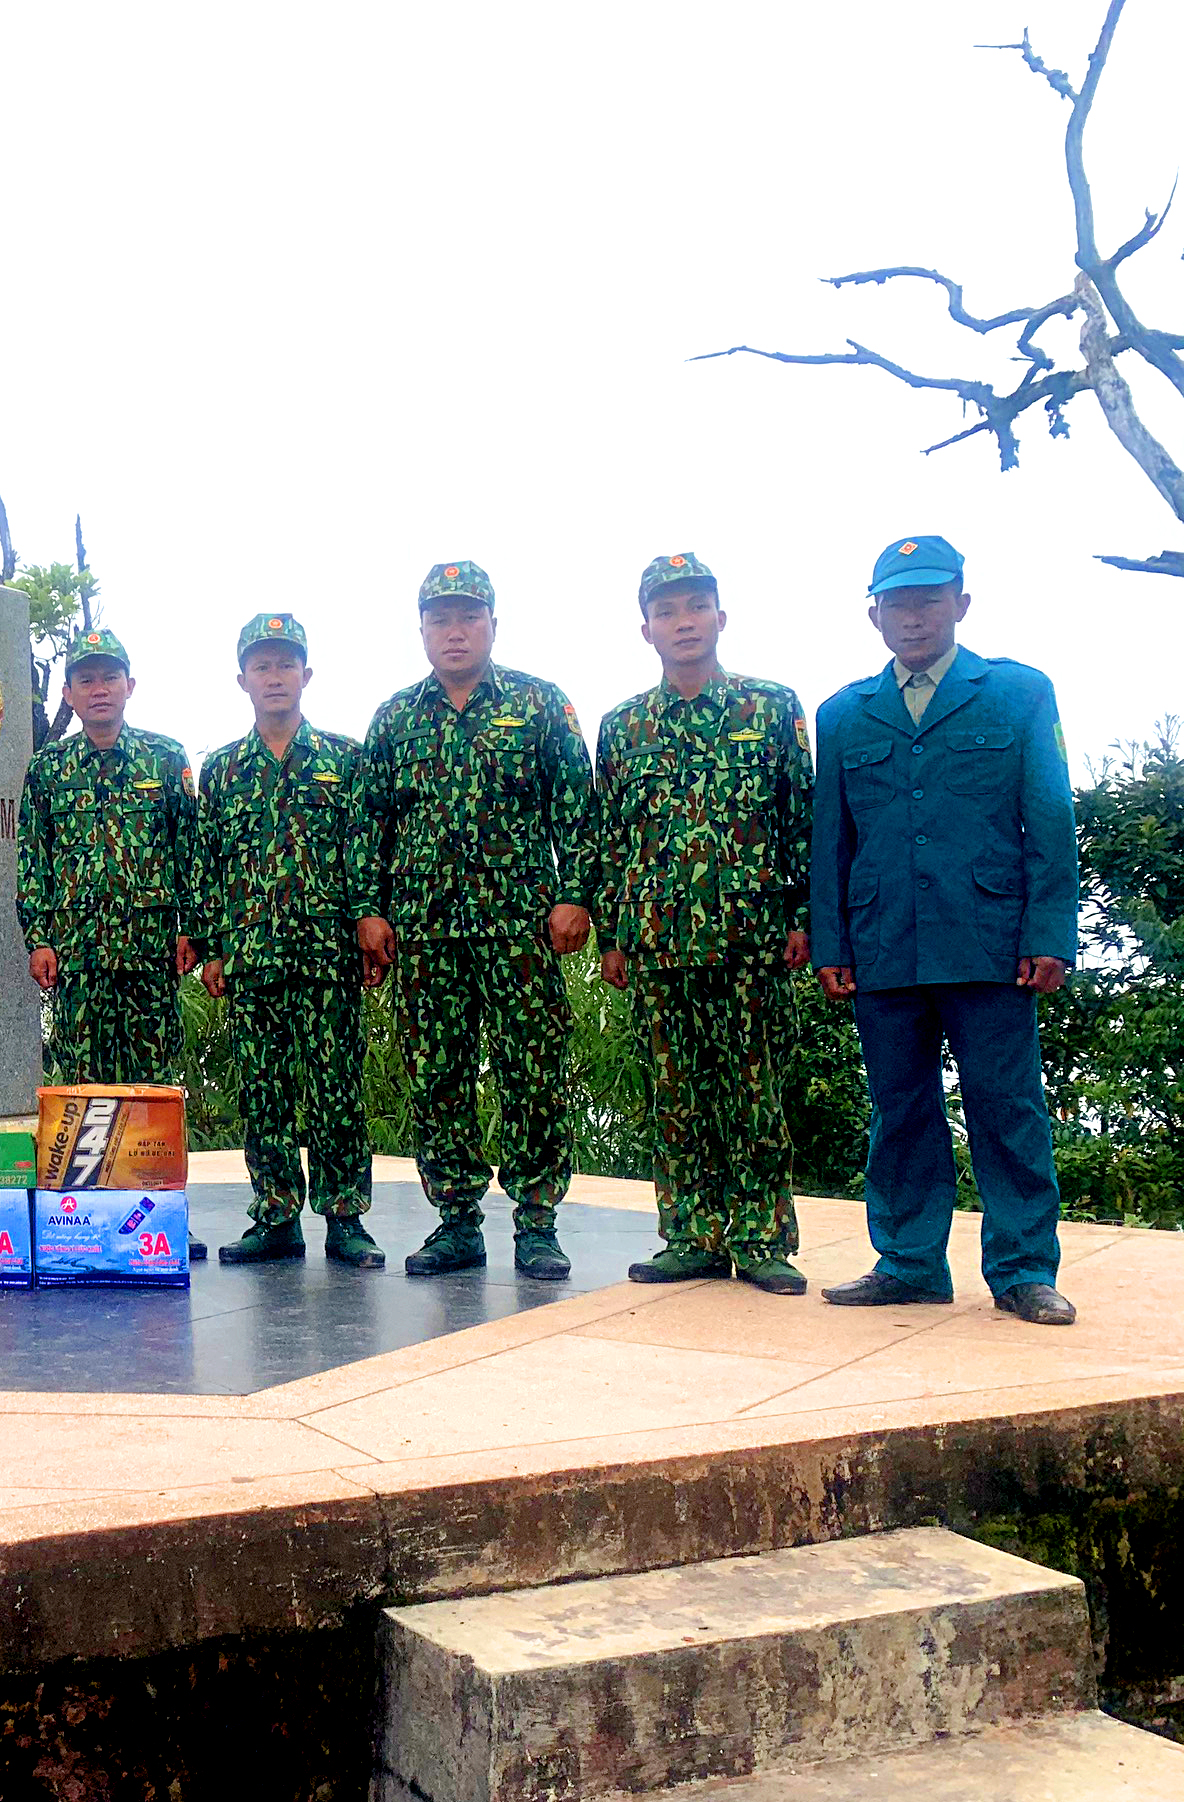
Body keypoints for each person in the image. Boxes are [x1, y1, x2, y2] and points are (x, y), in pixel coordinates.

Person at [810, 535, 1080, 1325]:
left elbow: (1050, 817)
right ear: (874, 614)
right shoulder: (845, 713)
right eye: (898, 601)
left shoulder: (1018, 693)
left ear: (962, 603)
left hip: (991, 940)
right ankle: (908, 1261)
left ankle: (1025, 1268)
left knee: (1007, 1106)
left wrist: (1050, 931)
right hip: (884, 941)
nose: (914, 615)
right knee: (900, 1110)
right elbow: (832, 841)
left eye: (930, 598)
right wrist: (833, 945)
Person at [351, 561, 595, 1279]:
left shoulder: (540, 703)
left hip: (518, 929)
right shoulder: (396, 718)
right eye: (440, 619)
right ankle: (457, 1220)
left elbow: (576, 810)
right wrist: (370, 908)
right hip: (426, 935)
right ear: (422, 629)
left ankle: (539, 1222)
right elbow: (371, 826)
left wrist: (575, 894)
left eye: (468, 617)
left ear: (493, 622)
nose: (454, 631)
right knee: (439, 1078)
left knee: (532, 1073)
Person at [587, 555, 813, 1296]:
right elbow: (610, 838)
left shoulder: (771, 708)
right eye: (667, 611)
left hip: (749, 937)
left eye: (695, 607)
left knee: (754, 1089)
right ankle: (690, 1234)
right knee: (675, 1093)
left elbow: (801, 822)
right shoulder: (623, 727)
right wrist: (613, 936)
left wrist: (805, 917)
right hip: (658, 942)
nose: (683, 622)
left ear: (721, 616)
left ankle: (760, 1238)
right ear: (646, 628)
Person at [194, 612, 381, 1268]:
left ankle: (346, 1218)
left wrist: (367, 919)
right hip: (253, 960)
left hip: (328, 955)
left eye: (285, 664)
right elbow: (206, 866)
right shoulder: (220, 772)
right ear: (242, 678)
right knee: (264, 1090)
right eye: (262, 665)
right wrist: (213, 946)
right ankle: (275, 1215)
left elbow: (364, 853)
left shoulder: (345, 760)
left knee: (336, 1090)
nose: (274, 676)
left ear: (307, 673)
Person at [16, 628, 207, 1257]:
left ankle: (161, 1221)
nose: (99, 690)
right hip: (78, 961)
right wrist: (39, 936)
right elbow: (32, 860)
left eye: (110, 677)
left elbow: (193, 852)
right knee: (82, 1092)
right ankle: (83, 1223)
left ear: (130, 685)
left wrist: (192, 930)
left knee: (152, 1090)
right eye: (86, 679)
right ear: (69, 692)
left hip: (150, 957)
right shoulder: (48, 770)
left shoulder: (165, 758)